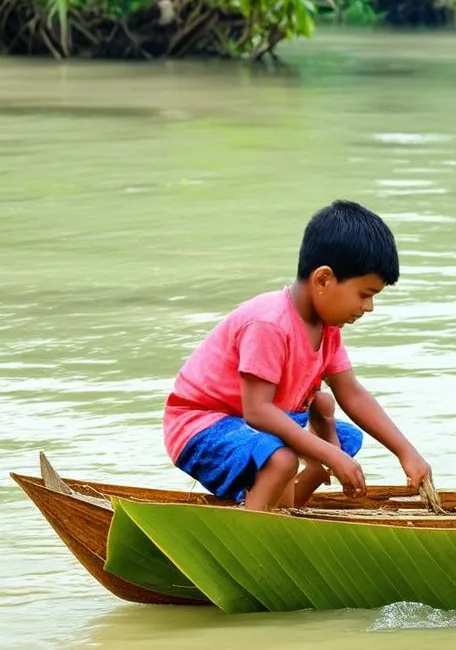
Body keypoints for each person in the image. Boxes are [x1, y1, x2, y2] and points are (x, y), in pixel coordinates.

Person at [163, 200, 431, 511]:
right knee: (283, 460)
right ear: (323, 280)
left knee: (342, 441)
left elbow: (352, 393)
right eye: (365, 294)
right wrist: (328, 454)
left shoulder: (328, 328)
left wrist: (405, 452)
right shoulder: (269, 323)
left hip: (254, 425)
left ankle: (282, 515)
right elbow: (258, 411)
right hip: (201, 426)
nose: (369, 307)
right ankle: (253, 535)